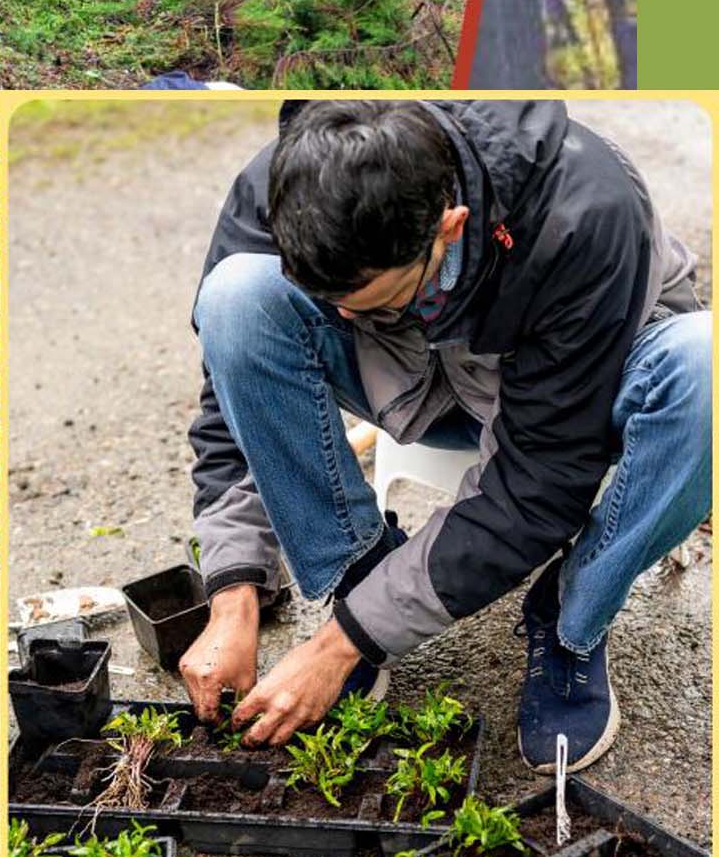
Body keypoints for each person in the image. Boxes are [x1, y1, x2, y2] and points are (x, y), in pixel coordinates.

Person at [180, 100, 709, 770]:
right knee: (233, 299)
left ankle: (573, 618)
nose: (339, 317)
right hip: (419, 373)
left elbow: (538, 487)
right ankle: (361, 574)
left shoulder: (583, 211)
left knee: (704, 371)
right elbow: (232, 398)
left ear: (448, 227)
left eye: (365, 299)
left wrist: (335, 645)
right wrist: (234, 593)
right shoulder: (291, 185)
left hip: (576, 392)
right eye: (329, 301)